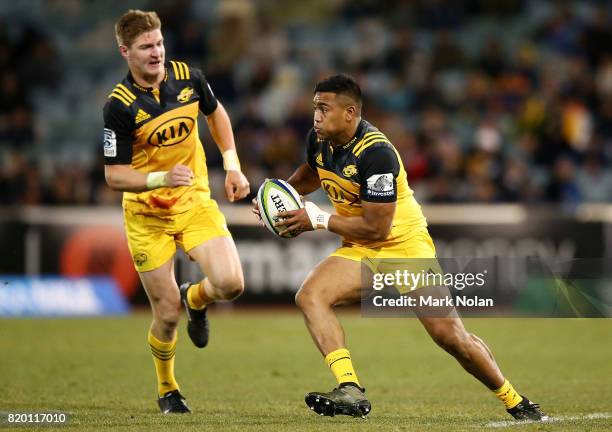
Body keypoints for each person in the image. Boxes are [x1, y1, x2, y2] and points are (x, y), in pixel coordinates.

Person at [253, 74, 547, 421]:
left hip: (404, 247)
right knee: (311, 295)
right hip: (359, 243)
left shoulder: (377, 154)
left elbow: (378, 228)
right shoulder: (319, 141)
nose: (316, 116)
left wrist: (317, 219)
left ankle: (516, 400)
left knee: (451, 338)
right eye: (314, 107)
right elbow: (312, 172)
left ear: (350, 113)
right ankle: (349, 388)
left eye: (323, 108)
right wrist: (280, 197)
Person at [103, 10, 249, 414]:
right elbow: (114, 176)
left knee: (232, 283)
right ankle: (168, 388)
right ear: (125, 52)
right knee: (165, 314)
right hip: (147, 215)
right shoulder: (118, 107)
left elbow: (215, 112)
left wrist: (232, 165)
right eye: (146, 47)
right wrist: (160, 178)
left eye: (159, 43)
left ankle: (196, 299)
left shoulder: (189, 77)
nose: (156, 53)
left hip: (193, 201)